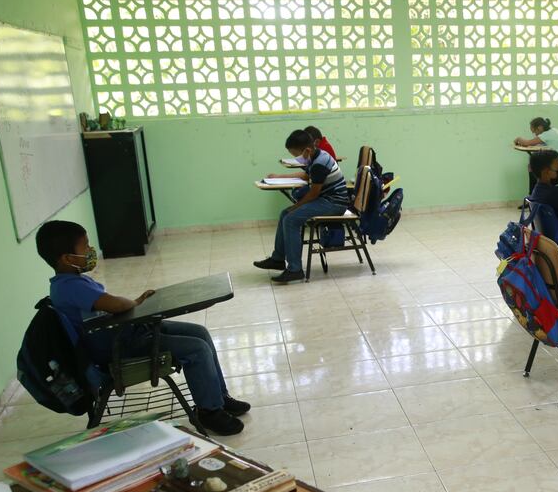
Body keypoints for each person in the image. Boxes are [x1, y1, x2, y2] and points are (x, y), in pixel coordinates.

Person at [35, 220, 249, 436]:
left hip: (123, 332)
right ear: (68, 258)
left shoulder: (72, 282)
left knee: (199, 332)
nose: (91, 250)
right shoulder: (70, 287)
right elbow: (116, 305)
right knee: (197, 349)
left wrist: (135, 304)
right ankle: (209, 412)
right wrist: (135, 303)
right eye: (86, 246)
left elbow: (106, 306)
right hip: (118, 346)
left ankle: (219, 398)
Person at [253, 129, 352, 284]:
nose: (296, 159)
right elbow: (307, 177)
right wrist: (279, 177)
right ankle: (278, 259)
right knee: (284, 214)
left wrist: (296, 207)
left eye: (296, 155)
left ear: (307, 150)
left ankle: (295, 269)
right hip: (326, 199)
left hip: (334, 203)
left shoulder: (320, 163)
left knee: (290, 219)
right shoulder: (315, 156)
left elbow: (313, 194)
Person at [514, 117, 558, 195]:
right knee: (532, 166)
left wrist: (518, 138)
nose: (535, 135)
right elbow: (539, 144)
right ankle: (535, 195)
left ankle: (534, 195)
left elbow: (527, 143)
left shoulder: (547, 135)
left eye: (535, 132)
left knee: (533, 167)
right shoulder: (553, 130)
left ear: (539, 127)